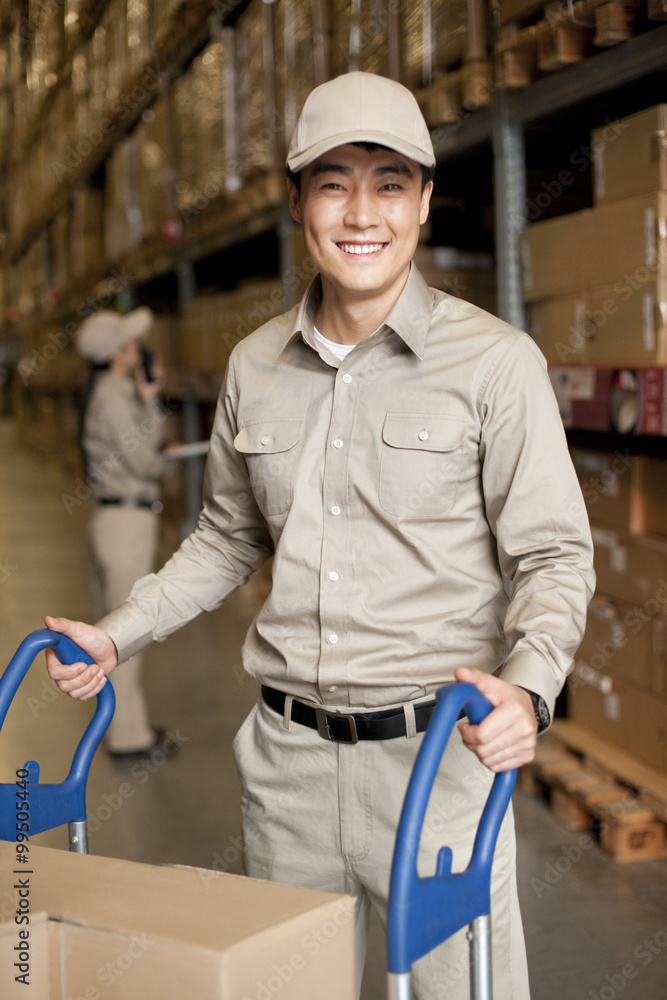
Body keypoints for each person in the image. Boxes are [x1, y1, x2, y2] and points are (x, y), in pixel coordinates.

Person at [45, 73, 594, 998]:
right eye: (333, 182)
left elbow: (551, 553)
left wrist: (528, 690)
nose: (360, 212)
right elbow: (225, 535)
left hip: (438, 771)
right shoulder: (253, 365)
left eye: (387, 182)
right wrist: (118, 632)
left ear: (422, 200)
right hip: (286, 768)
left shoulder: (494, 364)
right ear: (298, 201)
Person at [75, 307, 179, 756]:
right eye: (132, 343)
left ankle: (122, 728)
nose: (140, 348)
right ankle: (128, 737)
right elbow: (146, 462)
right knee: (126, 634)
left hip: (116, 520)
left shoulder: (112, 391)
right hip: (126, 523)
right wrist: (163, 449)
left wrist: (149, 399)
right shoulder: (115, 399)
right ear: (118, 352)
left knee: (113, 631)